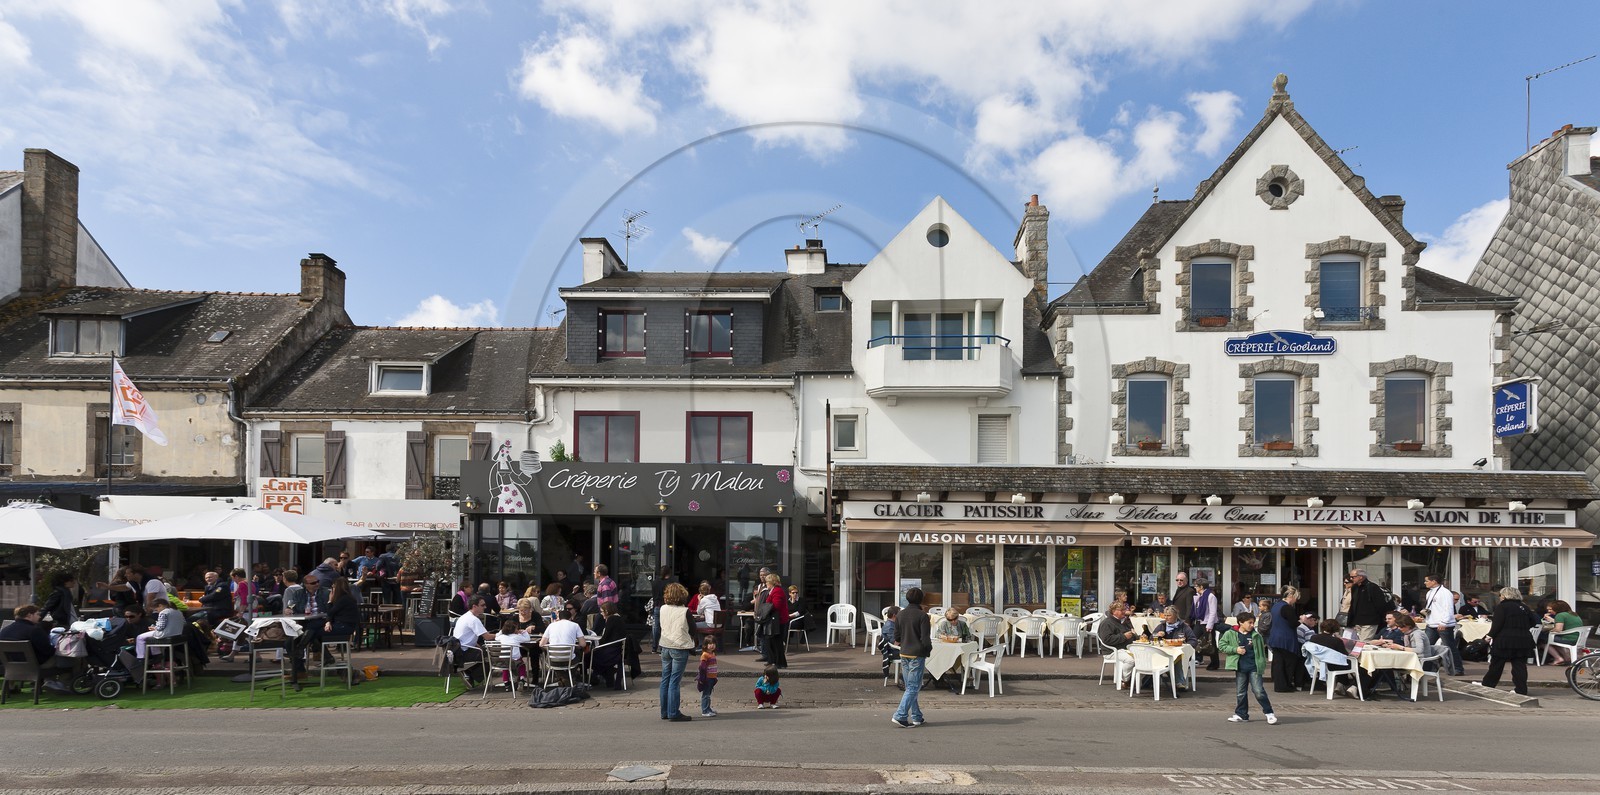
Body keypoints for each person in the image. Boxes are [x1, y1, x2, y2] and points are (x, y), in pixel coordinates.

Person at [1220, 613, 1276, 725]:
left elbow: (1260, 651)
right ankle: (1241, 714)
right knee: (1241, 692)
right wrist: (1235, 649)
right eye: (1249, 622)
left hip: (1254, 667)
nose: (1251, 625)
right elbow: (1221, 645)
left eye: (1252, 623)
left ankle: (1269, 712)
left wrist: (1262, 663)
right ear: (1241, 622)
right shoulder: (1230, 633)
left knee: (1258, 691)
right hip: (1240, 667)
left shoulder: (1256, 636)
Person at [1482, 585, 1536, 695]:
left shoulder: (1502, 607)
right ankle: (1521, 689)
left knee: (1497, 664)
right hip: (1523, 639)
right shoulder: (1524, 607)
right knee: (1519, 665)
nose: (1500, 597)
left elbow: (1497, 624)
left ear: (1505, 595)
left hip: (1505, 640)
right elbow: (1534, 621)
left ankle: (1488, 684)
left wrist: (1489, 636)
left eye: (1501, 595)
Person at [0, 605, 68, 693]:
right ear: (29, 615)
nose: (40, 616)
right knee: (67, 658)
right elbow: (47, 651)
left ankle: (11, 687)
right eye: (37, 614)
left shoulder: (5, 630)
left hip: (9, 666)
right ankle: (61, 684)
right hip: (33, 666)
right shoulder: (35, 630)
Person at [892, 586, 931, 728]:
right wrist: (928, 650)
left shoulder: (900, 614)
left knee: (910, 686)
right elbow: (925, 639)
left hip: (904, 652)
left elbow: (896, 636)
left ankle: (917, 716)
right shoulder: (922, 616)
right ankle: (900, 715)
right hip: (917, 653)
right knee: (914, 687)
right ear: (921, 599)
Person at [656, 581, 696, 722]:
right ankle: (674, 712)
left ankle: (664, 711)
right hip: (679, 646)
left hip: (665, 645)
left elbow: (659, 626)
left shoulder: (662, 609)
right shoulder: (685, 611)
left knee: (665, 679)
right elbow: (693, 630)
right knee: (674, 681)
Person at [1421, 574, 1464, 676]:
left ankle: (1457, 668)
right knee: (1427, 646)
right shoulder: (1429, 593)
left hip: (1443, 624)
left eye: (1427, 581)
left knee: (1449, 646)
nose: (1425, 583)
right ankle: (1427, 668)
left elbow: (1448, 608)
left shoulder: (1445, 593)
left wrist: (1444, 622)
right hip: (1431, 623)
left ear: (1434, 581)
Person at [451, 596, 492, 689]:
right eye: (482, 605)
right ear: (474, 606)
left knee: (483, 651)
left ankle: (468, 673)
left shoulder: (464, 617)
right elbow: (487, 637)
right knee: (491, 656)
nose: (485, 607)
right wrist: (502, 633)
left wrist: (477, 645)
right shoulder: (473, 619)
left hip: (457, 650)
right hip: (464, 652)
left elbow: (465, 636)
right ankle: (468, 673)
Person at [1152, 606, 1197, 690]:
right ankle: (1150, 681)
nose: (1166, 617)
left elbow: (1193, 640)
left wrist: (1185, 645)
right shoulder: (1162, 626)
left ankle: (1179, 682)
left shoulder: (1184, 627)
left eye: (1168, 615)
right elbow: (1151, 638)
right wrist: (1157, 635)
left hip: (1179, 653)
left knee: (1178, 657)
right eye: (1165, 615)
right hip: (1163, 653)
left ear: (1175, 615)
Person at [1267, 588, 1303, 693]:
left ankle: (1279, 685)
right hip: (1285, 639)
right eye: (1296, 598)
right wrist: (1301, 620)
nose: (1296, 600)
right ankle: (1285, 685)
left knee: (1278, 663)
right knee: (1288, 663)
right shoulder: (1287, 608)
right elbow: (1293, 624)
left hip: (1275, 637)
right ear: (1291, 596)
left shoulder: (1276, 606)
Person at [591, 602, 631, 690]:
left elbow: (606, 637)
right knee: (595, 654)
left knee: (590, 657)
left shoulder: (612, 619)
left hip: (612, 650)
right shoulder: (618, 618)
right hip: (617, 649)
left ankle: (600, 676)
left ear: (607, 611)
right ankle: (607, 677)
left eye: (602, 611)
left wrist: (597, 644)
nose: (601, 614)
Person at [134, 598, 185, 662]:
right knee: (153, 637)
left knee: (140, 637)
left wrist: (155, 627)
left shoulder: (163, 612)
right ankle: (157, 654)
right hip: (177, 633)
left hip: (166, 634)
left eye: (156, 610)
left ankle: (141, 658)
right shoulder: (178, 611)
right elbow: (183, 622)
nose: (157, 612)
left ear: (160, 605)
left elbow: (160, 627)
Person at [1346, 569, 1390, 641]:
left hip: (1369, 621)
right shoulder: (1354, 587)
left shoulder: (1372, 587)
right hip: (1357, 621)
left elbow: (1380, 604)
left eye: (1353, 577)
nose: (1351, 579)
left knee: (1364, 642)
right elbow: (1353, 604)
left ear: (1360, 577)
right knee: (1358, 643)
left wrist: (1381, 618)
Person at [760, 573, 790, 668]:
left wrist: (766, 609)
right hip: (774, 620)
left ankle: (779, 662)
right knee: (770, 641)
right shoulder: (773, 591)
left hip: (778, 621)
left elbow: (776, 605)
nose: (766, 584)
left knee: (777, 642)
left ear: (771, 583)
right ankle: (772, 660)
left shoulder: (777, 591)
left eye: (767, 582)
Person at [1191, 579, 1221, 670]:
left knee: (1211, 643)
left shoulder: (1211, 596)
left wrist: (1209, 625)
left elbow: (1213, 612)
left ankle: (1214, 663)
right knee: (1192, 639)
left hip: (1207, 623)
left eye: (1196, 586)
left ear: (1201, 587)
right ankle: (1193, 659)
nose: (1195, 588)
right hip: (1199, 622)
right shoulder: (1199, 596)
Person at [1544, 599, 1585, 665]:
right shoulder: (1574, 614)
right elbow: (1567, 624)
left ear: (1557, 609)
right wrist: (1553, 621)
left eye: (1550, 609)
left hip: (1569, 639)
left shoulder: (1560, 615)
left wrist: (1549, 630)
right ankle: (1566, 657)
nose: (1549, 611)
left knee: (1543, 640)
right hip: (1577, 638)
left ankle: (1558, 658)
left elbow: (1558, 629)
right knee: (1554, 642)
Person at [494, 618, 532, 688]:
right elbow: (527, 639)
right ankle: (522, 679)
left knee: (505, 668)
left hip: (504, 660)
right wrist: (524, 632)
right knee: (522, 665)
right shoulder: (517, 637)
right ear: (514, 630)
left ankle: (506, 682)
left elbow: (496, 637)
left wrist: (501, 631)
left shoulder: (502, 637)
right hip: (515, 660)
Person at [696, 636, 720, 717]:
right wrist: (702, 677)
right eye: (710, 644)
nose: (712, 645)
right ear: (705, 645)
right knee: (706, 695)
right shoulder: (705, 655)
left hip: (712, 677)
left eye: (713, 644)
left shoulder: (712, 654)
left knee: (708, 694)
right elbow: (702, 667)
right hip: (707, 677)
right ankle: (705, 710)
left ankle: (708, 708)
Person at [880, 605, 901, 686]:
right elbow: (895, 643)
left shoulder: (891, 624)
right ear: (894, 616)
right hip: (893, 651)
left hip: (895, 649)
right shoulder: (890, 627)